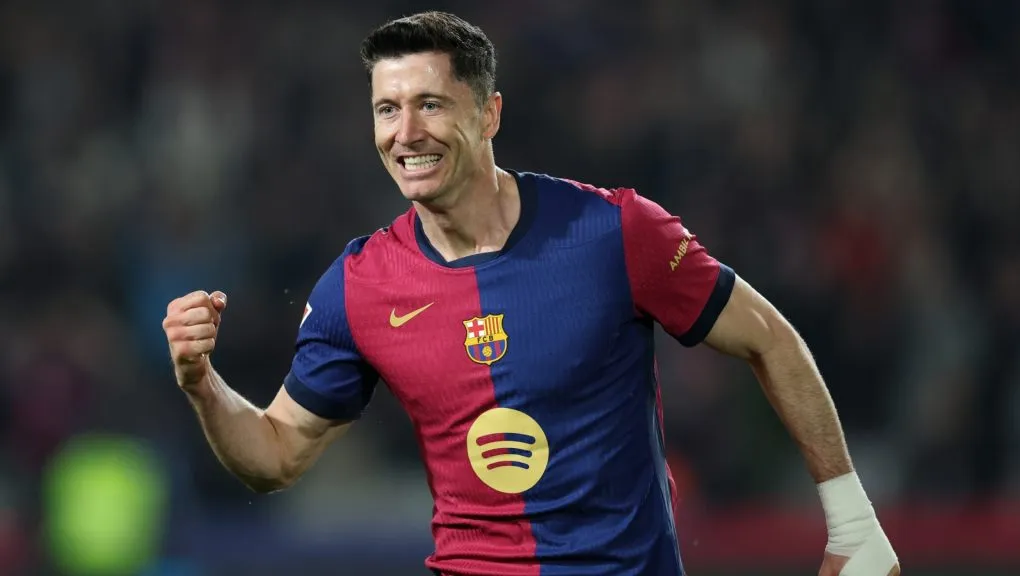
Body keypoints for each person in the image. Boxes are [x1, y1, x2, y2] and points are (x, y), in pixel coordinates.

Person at [161, 11, 899, 576]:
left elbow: (769, 339)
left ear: (488, 114)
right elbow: (275, 454)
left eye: (431, 104)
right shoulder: (359, 286)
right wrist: (201, 383)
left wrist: (852, 521)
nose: (406, 132)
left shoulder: (614, 232)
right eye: (387, 109)